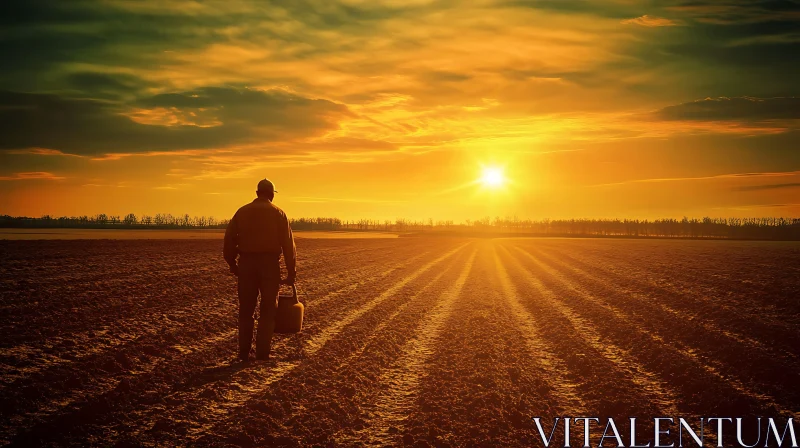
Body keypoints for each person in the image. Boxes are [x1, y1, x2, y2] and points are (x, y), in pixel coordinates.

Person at [223, 178, 296, 363]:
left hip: (246, 264)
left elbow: (229, 239)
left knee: (246, 310)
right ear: (271, 194)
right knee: (268, 310)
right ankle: (263, 354)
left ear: (257, 193)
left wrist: (232, 263)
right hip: (269, 265)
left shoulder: (242, 212)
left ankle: (243, 354)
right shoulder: (278, 213)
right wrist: (291, 271)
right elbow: (288, 245)